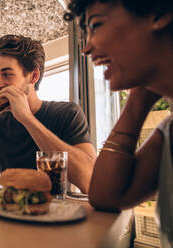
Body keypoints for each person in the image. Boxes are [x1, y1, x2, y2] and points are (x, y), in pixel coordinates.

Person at [64, 0, 173, 246]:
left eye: (96, 25)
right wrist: (138, 98)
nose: (87, 48)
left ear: (159, 12)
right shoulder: (169, 131)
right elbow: (107, 197)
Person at [0, 35, 97, 193]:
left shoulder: (67, 114)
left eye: (7, 74)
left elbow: (90, 181)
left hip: (54, 212)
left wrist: (27, 119)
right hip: (6, 210)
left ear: (33, 76)